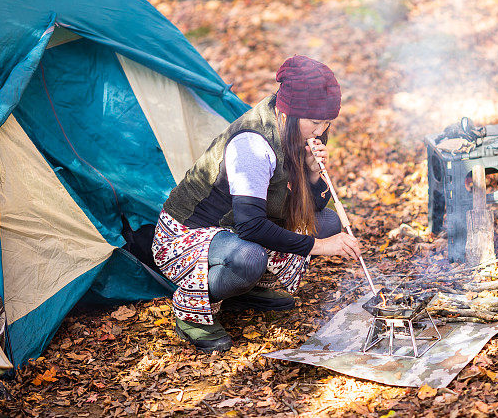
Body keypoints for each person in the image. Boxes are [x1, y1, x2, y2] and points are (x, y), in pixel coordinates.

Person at [152, 54, 362, 352]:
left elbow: (309, 207)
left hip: (240, 229)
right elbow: (250, 226)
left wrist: (314, 175)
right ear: (288, 114)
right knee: (250, 257)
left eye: (328, 122)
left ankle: (244, 290)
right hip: (188, 236)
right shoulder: (252, 145)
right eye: (315, 122)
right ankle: (192, 315)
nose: (321, 130)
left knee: (327, 223)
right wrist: (318, 247)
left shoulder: (303, 132)